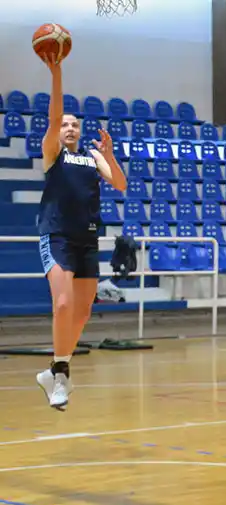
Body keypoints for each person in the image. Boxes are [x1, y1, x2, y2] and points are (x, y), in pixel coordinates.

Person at [35, 54, 127, 411]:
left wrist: (110, 155)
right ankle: (60, 375)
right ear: (58, 131)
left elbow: (119, 183)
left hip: (87, 238)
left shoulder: (91, 156)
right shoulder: (53, 154)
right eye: (65, 124)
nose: (70, 127)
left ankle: (54, 370)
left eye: (75, 124)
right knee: (62, 302)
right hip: (57, 235)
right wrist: (57, 74)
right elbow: (54, 115)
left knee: (84, 311)